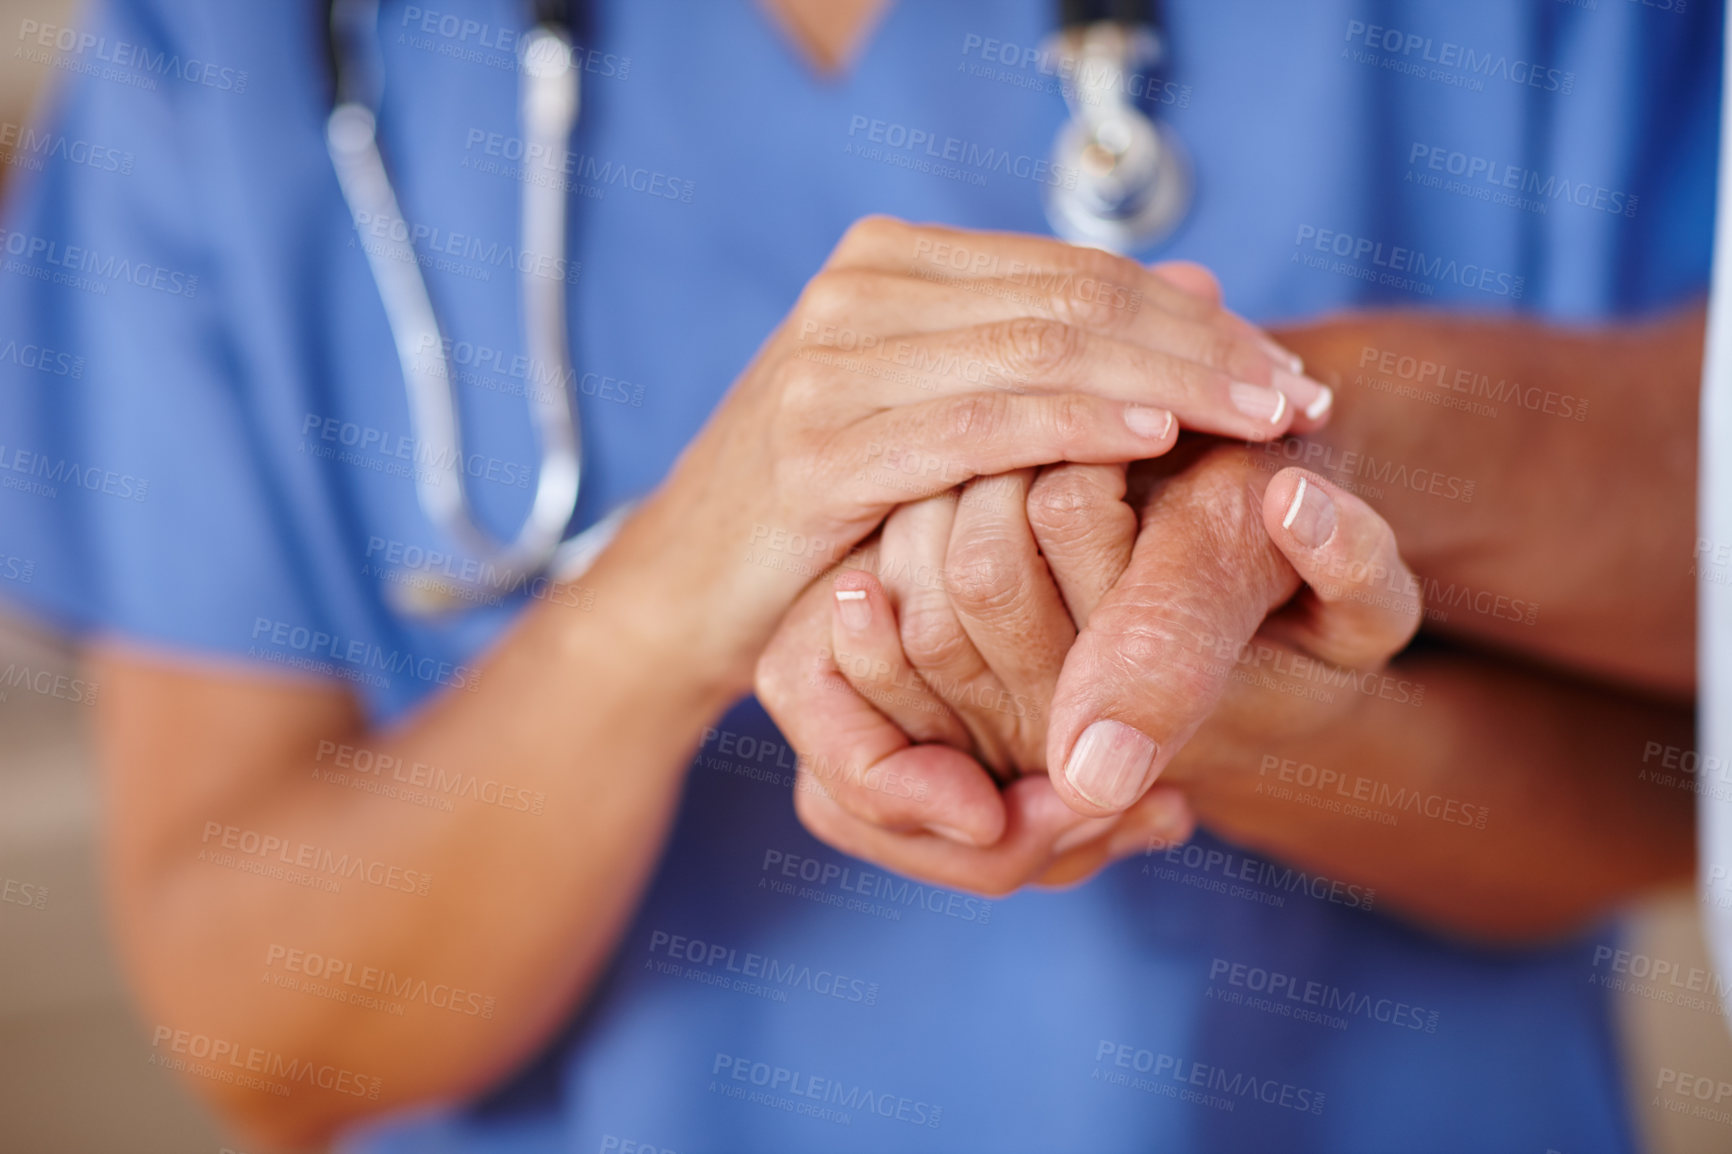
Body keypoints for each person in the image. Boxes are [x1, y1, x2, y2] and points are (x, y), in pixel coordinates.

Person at [0, 2, 1716, 1152]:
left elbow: (1672, 802)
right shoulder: (224, 65)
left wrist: (1179, 684)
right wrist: (674, 603)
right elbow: (259, 1011)